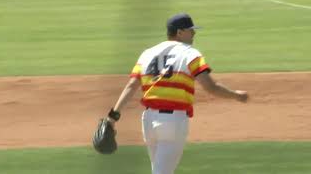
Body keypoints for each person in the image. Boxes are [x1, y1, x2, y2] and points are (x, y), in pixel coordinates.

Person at [106, 13, 248, 174]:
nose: (194, 33)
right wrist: (236, 95)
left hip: (148, 122)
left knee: (160, 169)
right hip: (172, 123)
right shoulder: (190, 53)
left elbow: (132, 85)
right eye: (190, 30)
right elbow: (211, 87)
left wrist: (112, 117)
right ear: (179, 33)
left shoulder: (147, 53)